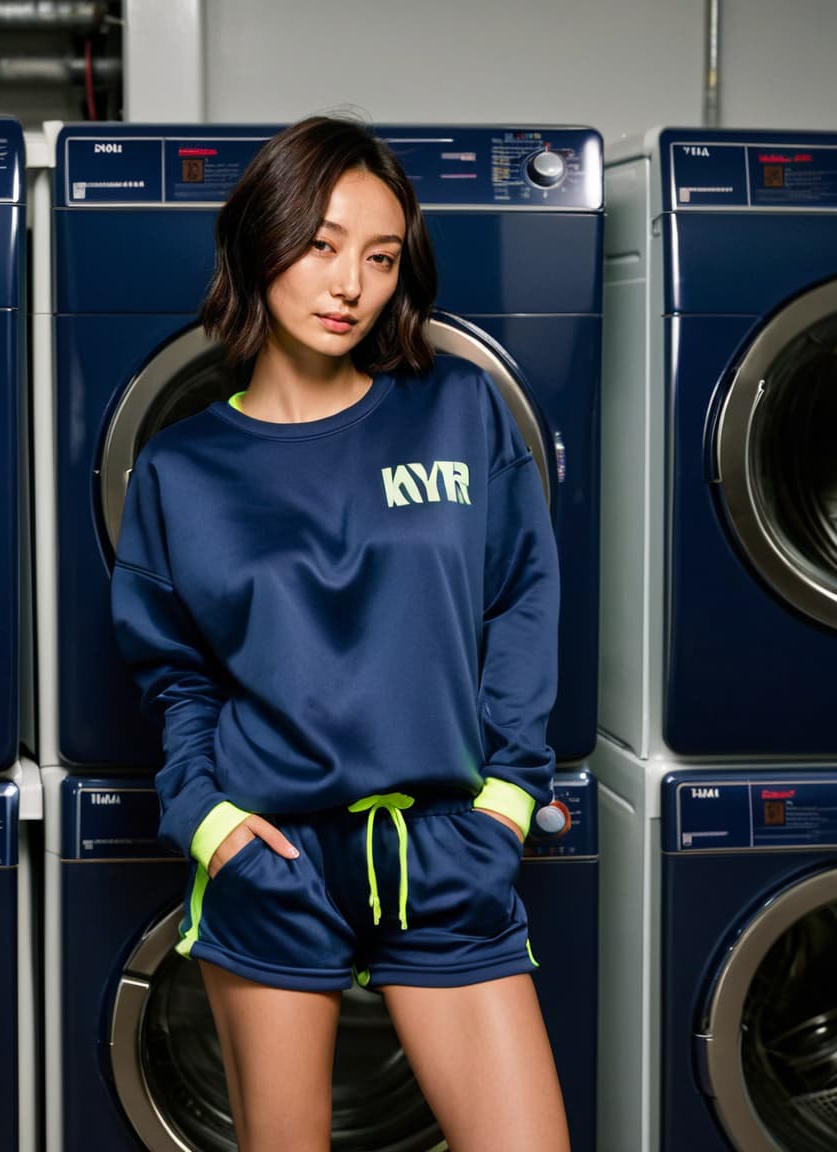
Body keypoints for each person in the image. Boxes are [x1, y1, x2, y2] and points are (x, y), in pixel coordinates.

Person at [111, 114, 569, 1152]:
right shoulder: (181, 471)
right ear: (259, 242)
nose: (348, 284)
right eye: (320, 245)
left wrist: (504, 804)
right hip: (273, 860)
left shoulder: (456, 410)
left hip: (448, 851)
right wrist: (211, 822)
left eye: (379, 255)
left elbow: (520, 603)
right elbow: (171, 673)